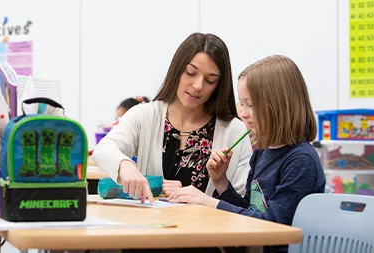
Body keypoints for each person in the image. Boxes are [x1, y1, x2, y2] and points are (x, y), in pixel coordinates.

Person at [167, 55, 326, 253]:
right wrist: (221, 182)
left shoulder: (300, 160)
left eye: (251, 104)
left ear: (280, 106)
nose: (243, 113)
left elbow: (273, 225)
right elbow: (250, 212)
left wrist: (209, 202)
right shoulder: (262, 153)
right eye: (241, 103)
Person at [92, 32, 252, 204]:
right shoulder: (145, 116)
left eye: (210, 80)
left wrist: (203, 200)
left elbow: (243, 205)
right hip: (151, 229)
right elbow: (104, 149)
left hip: (208, 230)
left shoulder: (234, 130)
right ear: (177, 69)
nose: (198, 86)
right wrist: (125, 164)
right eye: (191, 73)